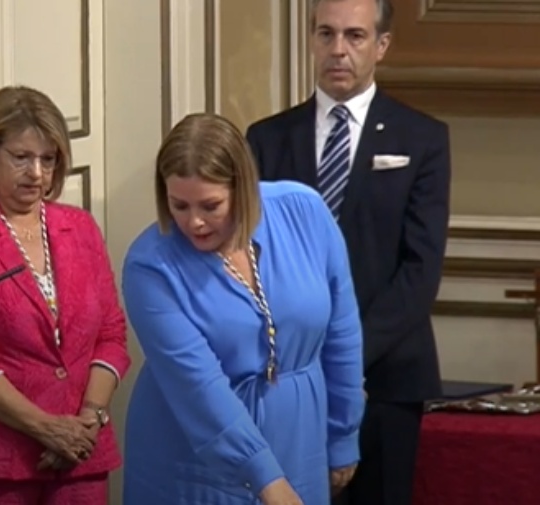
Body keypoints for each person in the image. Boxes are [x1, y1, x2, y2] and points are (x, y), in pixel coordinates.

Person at [245, 1, 451, 504]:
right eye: (326, 34)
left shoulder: (423, 138)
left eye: (355, 36)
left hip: (386, 376)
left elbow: (420, 271)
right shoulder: (267, 139)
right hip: (289, 375)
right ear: (312, 41)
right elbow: (253, 258)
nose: (338, 50)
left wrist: (346, 357)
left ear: (381, 45)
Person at [121, 112, 365, 505]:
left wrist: (344, 432)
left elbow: (342, 331)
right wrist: (267, 479)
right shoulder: (150, 264)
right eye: (179, 205)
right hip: (192, 456)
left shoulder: (303, 211)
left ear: (243, 188)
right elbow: (196, 385)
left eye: (210, 205)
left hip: (300, 438)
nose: (194, 222)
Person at [0, 85, 131, 505]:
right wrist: (44, 427)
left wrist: (89, 418)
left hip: (81, 460)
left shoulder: (81, 228)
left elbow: (111, 334)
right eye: (21, 157)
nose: (36, 173)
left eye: (48, 159)